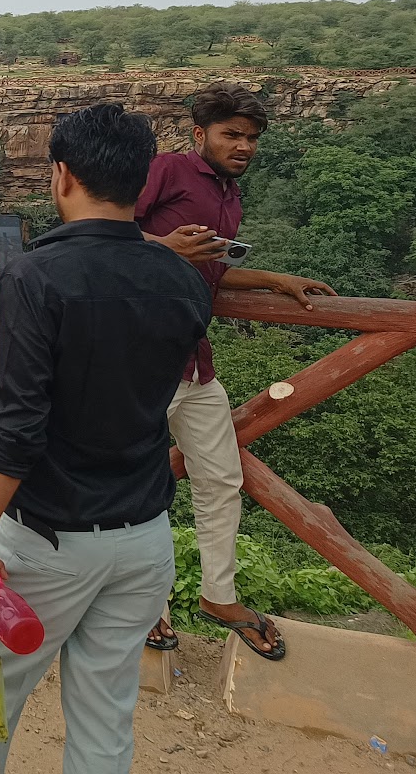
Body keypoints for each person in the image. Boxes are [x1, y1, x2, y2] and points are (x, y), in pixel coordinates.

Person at [0, 103, 213, 774]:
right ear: (141, 178)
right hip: (145, 538)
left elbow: (15, 425)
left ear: (61, 176)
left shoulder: (35, 277)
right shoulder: (183, 280)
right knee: (104, 723)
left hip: (49, 541)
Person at [135, 82, 334, 660]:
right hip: (143, 360)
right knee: (142, 490)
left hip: (195, 364)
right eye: (231, 134)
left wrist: (273, 279)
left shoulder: (230, 194)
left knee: (221, 481)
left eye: (250, 138)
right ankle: (147, 607)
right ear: (200, 134)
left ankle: (218, 596)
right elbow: (105, 231)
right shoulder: (167, 170)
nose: (243, 145)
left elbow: (214, 270)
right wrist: (163, 245)